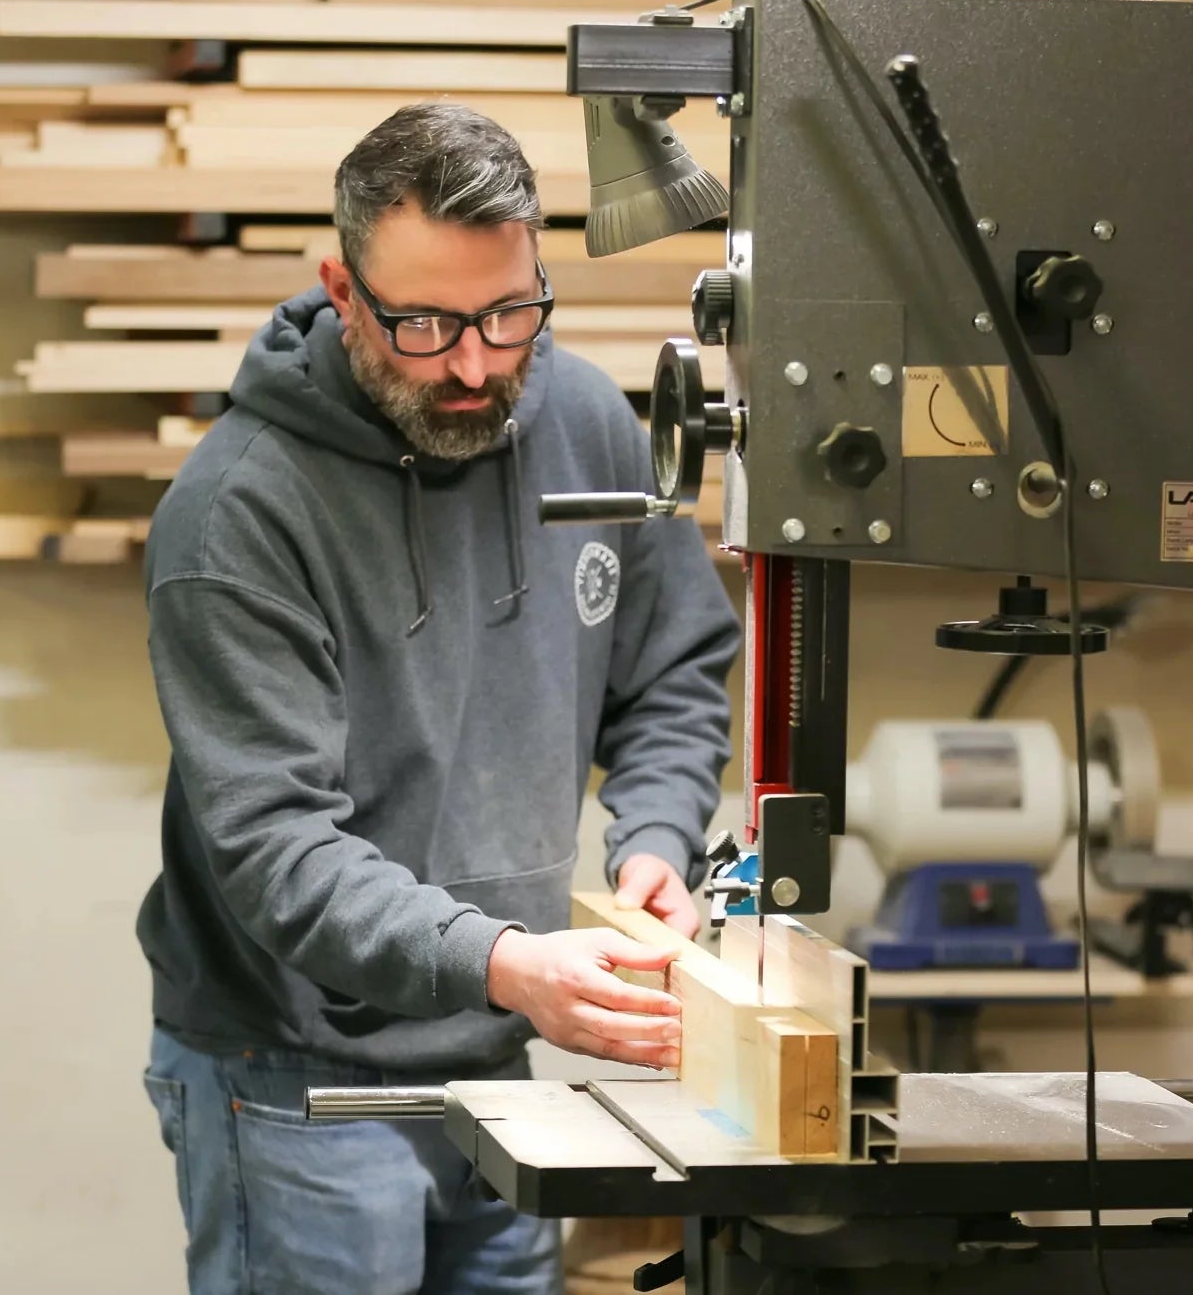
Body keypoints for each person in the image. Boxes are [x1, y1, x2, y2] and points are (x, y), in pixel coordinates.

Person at [134, 102, 740, 1295]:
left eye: (508, 316)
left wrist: (657, 838)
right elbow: (280, 852)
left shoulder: (575, 420)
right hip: (299, 1074)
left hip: (493, 1060)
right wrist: (511, 964)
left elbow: (670, 665)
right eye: (425, 324)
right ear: (342, 290)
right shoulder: (238, 514)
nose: (473, 366)